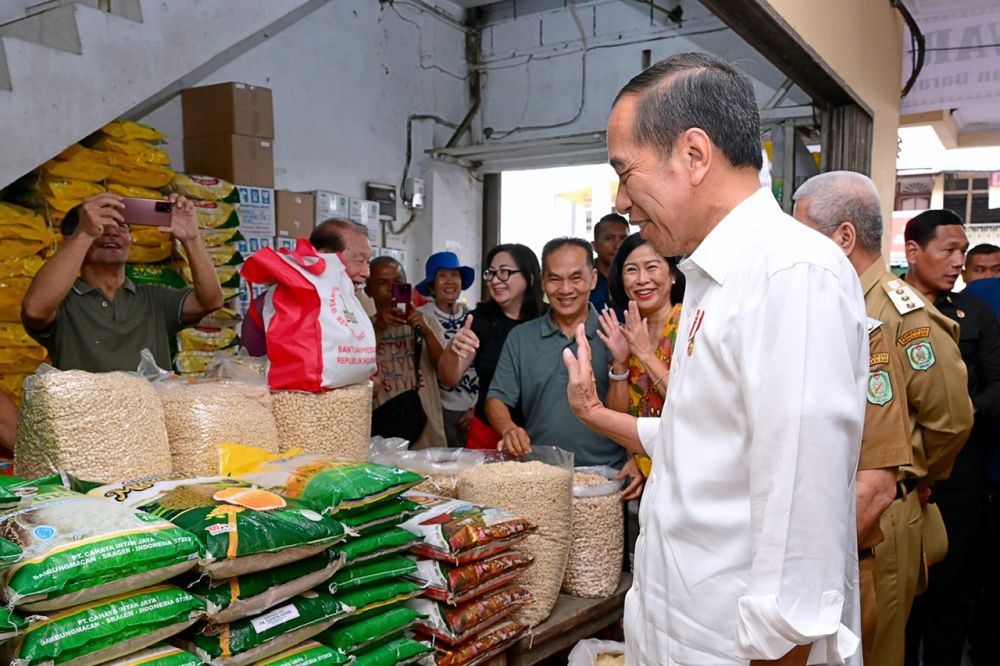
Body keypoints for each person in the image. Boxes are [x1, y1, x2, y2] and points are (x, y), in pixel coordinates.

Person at [563, 52, 868, 665]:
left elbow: (799, 523)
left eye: (626, 172)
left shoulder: (790, 274)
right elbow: (705, 435)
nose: (622, 200)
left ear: (695, 155)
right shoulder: (709, 275)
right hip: (682, 635)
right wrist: (597, 414)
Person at [792, 171, 933, 664]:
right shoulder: (817, 305)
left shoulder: (886, 318)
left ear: (844, 237)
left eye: (801, 231)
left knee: (874, 649)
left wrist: (915, 474)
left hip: (878, 515)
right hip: (841, 519)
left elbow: (949, 420)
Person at [901, 209, 1000, 666]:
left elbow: (997, 382)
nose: (958, 260)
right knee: (899, 593)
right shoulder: (886, 308)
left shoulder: (974, 312)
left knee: (951, 588)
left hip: (959, 471)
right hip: (900, 471)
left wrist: (954, 415)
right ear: (914, 252)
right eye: (949, 250)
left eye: (963, 251)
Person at [485, 237, 642, 495]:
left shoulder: (616, 334)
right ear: (542, 281)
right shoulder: (521, 338)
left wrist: (619, 363)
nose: (565, 289)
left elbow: (624, 417)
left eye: (576, 278)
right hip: (540, 477)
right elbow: (496, 398)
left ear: (592, 279)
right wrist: (508, 428)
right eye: (555, 279)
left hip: (606, 480)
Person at [21, 192, 224, 373]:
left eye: (122, 226)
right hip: (87, 415)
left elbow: (210, 301)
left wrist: (191, 238)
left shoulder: (154, 298)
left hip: (149, 414)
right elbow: (35, 310)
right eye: (101, 226)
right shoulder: (65, 302)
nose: (112, 232)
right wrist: (84, 233)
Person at [437, 243, 544, 448]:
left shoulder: (547, 319)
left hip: (539, 433)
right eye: (491, 273)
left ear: (530, 278)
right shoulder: (478, 320)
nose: (495, 280)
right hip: (488, 433)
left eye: (504, 273)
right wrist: (453, 349)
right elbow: (450, 378)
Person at [241, 218, 373, 357]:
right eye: (359, 261)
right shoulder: (274, 304)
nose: (366, 273)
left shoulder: (350, 304)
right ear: (326, 255)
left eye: (368, 262)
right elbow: (246, 368)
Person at [599, 232, 683, 421]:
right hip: (636, 451)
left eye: (651, 267)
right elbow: (617, 420)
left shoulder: (690, 325)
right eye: (631, 270)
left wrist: (644, 353)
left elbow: (690, 406)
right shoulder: (626, 334)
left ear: (673, 274)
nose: (642, 279)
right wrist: (620, 362)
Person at [366, 256, 446, 448]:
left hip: (428, 431)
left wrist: (425, 331)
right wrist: (377, 329)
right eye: (382, 283)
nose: (391, 290)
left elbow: (444, 371)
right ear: (369, 290)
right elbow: (358, 369)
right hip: (385, 433)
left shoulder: (428, 322)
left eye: (398, 282)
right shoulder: (364, 328)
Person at [415, 251, 478, 448]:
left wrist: (475, 409)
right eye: (442, 275)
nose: (450, 281)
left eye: (455, 275)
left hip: (472, 407)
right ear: (432, 284)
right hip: (437, 407)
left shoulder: (473, 317)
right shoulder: (420, 317)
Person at [589, 213, 630, 316]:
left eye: (623, 238)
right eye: (608, 238)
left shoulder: (636, 276)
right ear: (594, 246)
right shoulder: (585, 277)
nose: (617, 245)